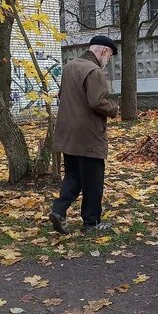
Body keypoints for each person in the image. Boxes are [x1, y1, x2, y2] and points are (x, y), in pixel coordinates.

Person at [49, 35, 119, 234]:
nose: (109, 60)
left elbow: (63, 96)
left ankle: (58, 210)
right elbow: (97, 102)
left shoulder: (69, 66)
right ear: (104, 51)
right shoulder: (93, 70)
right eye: (110, 55)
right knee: (93, 181)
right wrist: (114, 108)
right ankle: (92, 223)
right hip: (88, 134)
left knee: (73, 176)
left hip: (67, 133)